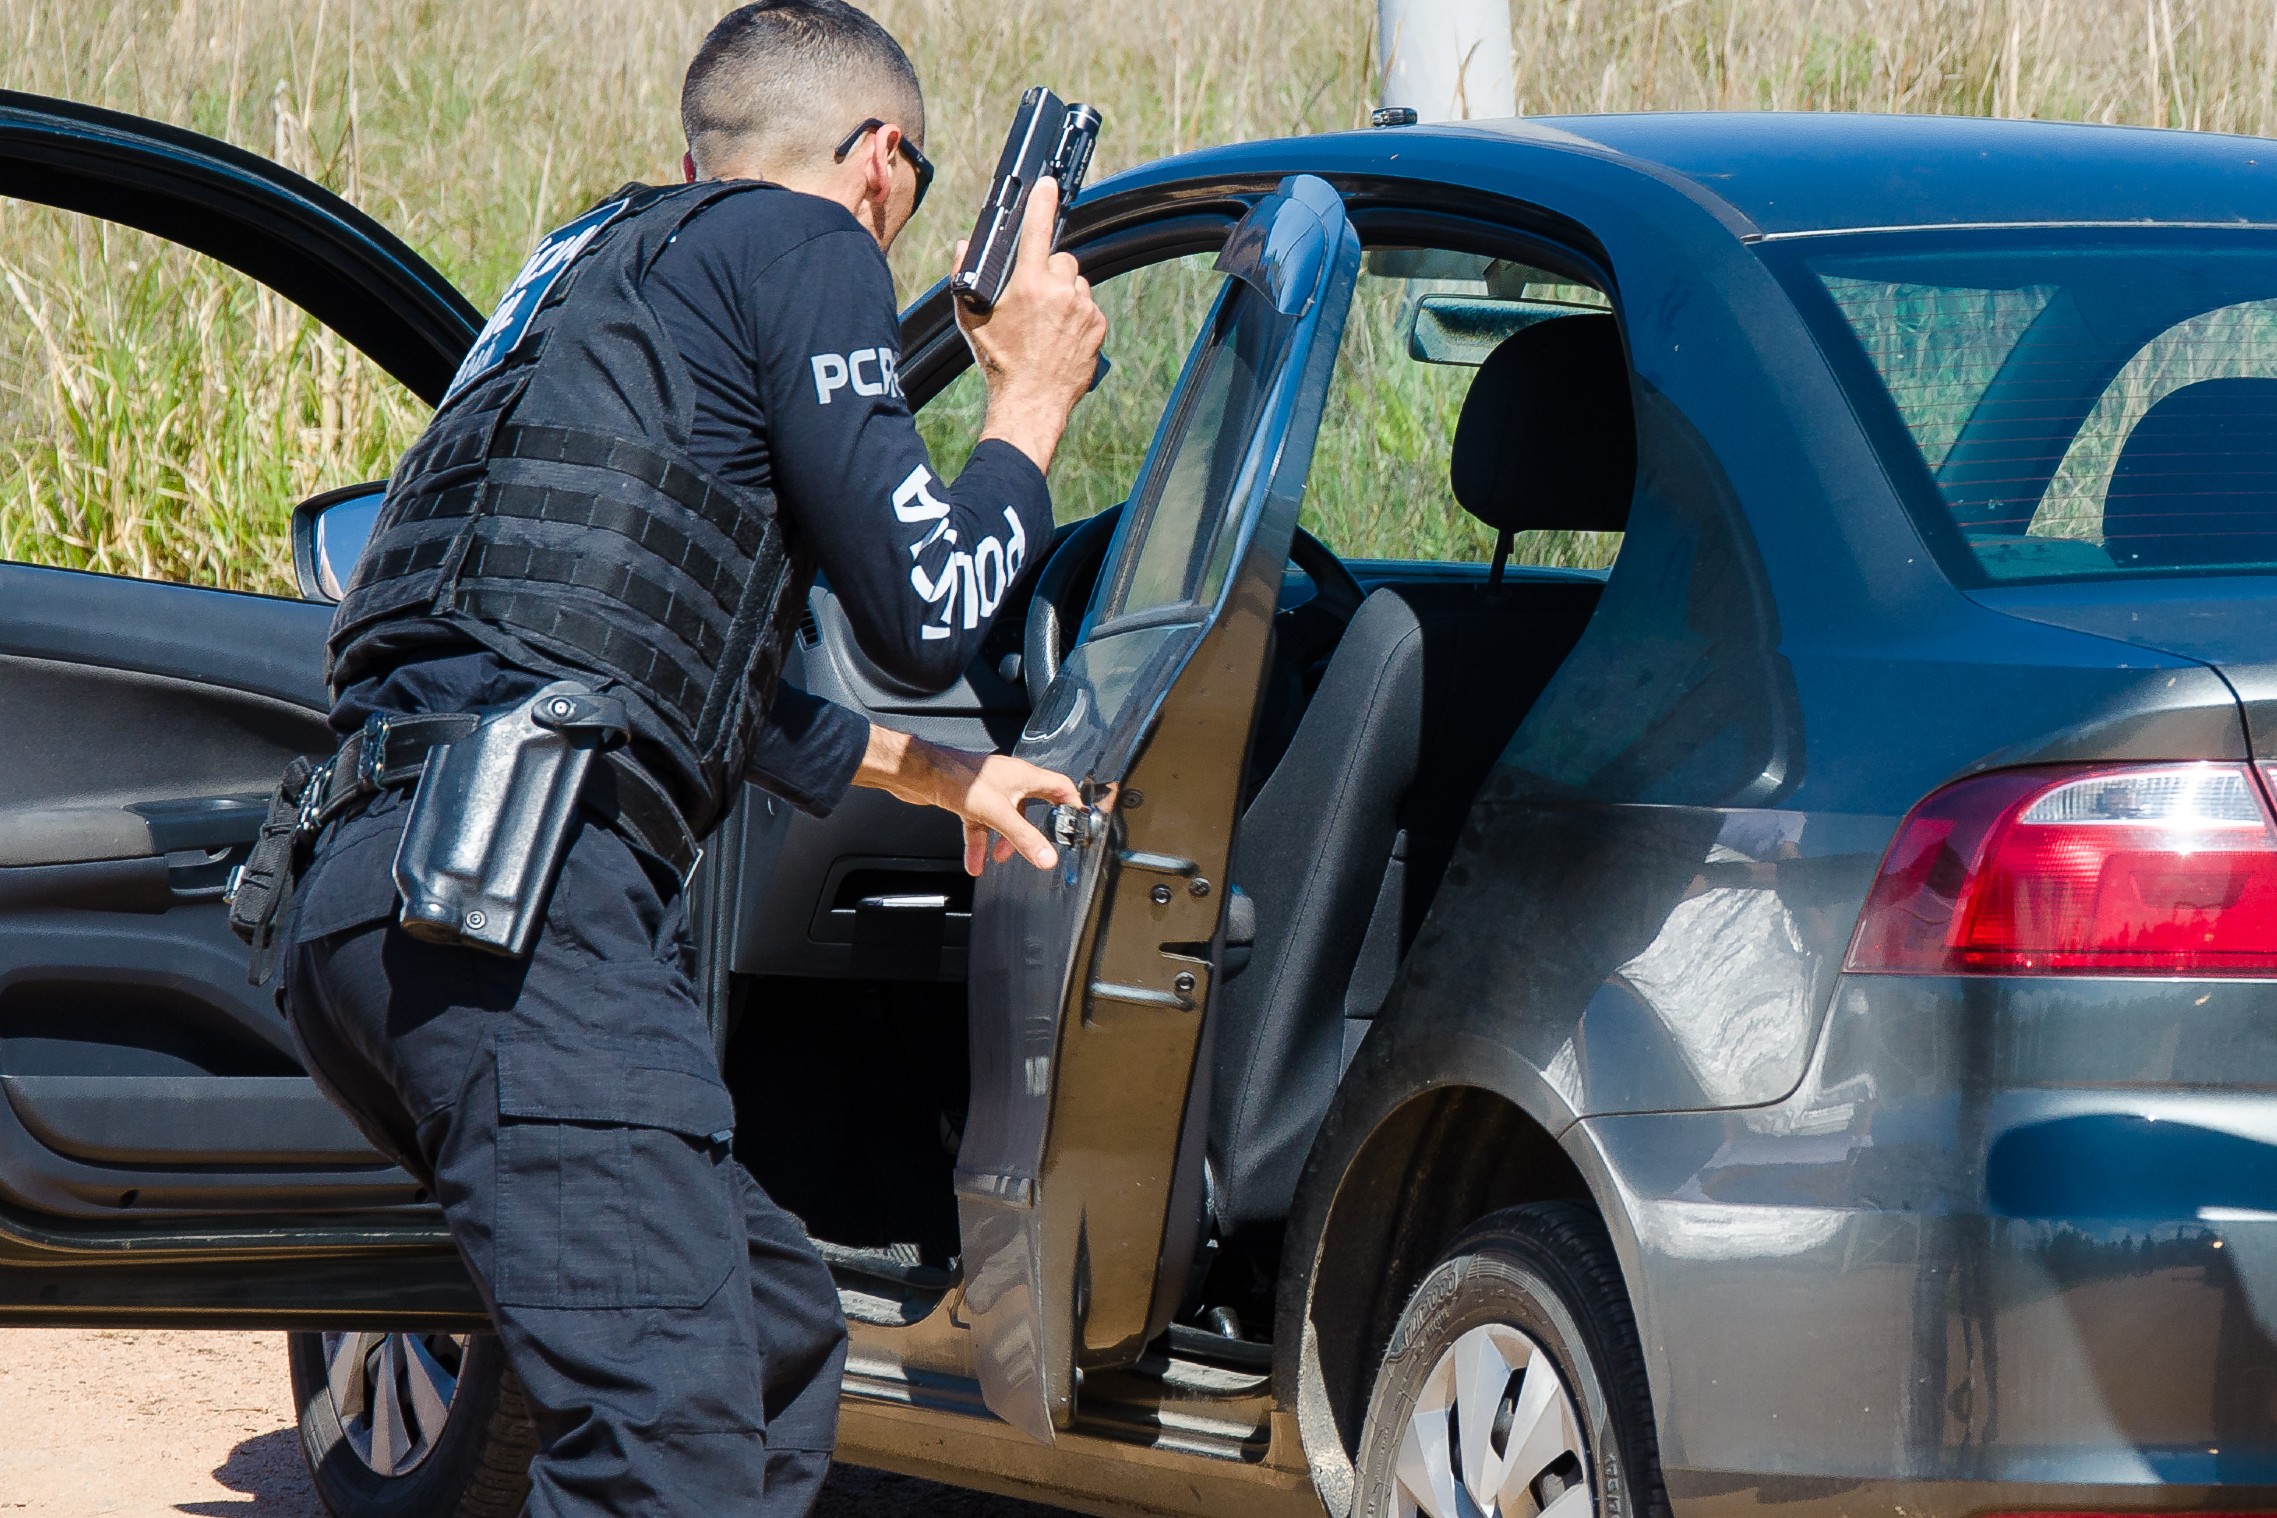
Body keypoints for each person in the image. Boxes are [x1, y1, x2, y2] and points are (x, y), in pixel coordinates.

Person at [270, 2, 1106, 1513]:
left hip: (364, 899)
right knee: (662, 1445)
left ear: (692, 155)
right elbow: (928, 608)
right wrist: (1029, 400)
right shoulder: (809, 250)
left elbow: (642, 653)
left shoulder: (584, 273)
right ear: (881, 164)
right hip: (530, 917)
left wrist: (934, 775)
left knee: (772, 1332)